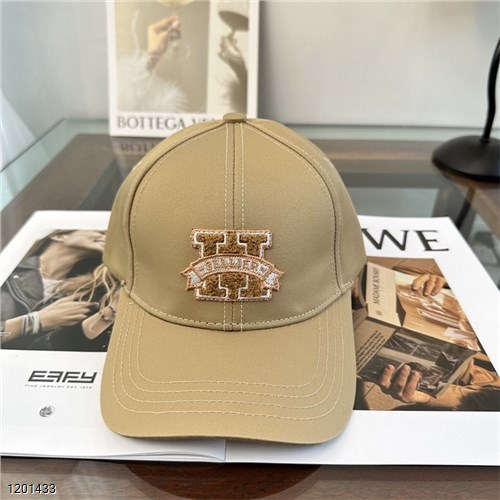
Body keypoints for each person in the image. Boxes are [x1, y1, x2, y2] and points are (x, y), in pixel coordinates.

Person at [0, 230, 114, 350]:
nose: (107, 237)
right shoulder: (6, 270)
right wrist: (34, 322)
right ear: (59, 235)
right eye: (101, 232)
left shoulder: (91, 291)